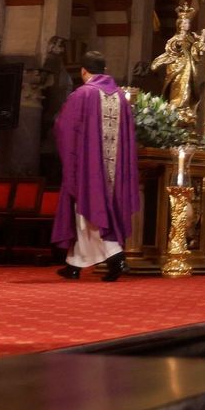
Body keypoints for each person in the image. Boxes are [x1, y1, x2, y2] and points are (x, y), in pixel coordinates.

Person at [52, 51, 140, 282]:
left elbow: (64, 128)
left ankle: (116, 258)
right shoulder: (121, 96)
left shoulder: (83, 94)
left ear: (83, 71)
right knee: (91, 213)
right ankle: (74, 263)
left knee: (88, 213)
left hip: (88, 167)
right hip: (113, 169)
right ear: (104, 71)